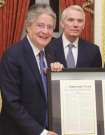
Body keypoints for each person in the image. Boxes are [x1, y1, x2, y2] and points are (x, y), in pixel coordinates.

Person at [0, 4, 61, 135]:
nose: (45, 31)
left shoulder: (51, 53)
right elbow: (12, 104)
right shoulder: (12, 55)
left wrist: (59, 74)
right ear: (28, 27)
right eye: (40, 25)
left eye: (50, 27)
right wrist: (41, 132)